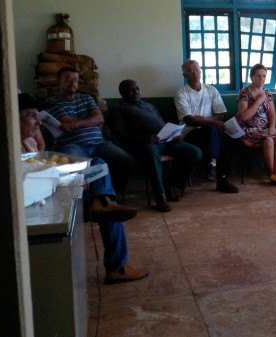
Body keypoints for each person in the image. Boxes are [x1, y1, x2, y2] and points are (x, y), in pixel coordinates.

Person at [19, 93, 148, 284]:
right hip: (48, 198)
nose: (38, 122)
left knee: (98, 164)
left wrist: (32, 129)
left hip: (56, 188)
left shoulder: (29, 142)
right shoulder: (10, 149)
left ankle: (101, 200)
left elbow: (41, 154)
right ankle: (117, 266)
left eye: (38, 117)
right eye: (32, 116)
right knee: (110, 209)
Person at [109, 79, 203, 212]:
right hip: (142, 143)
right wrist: (145, 138)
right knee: (151, 154)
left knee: (195, 152)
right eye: (131, 89)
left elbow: (162, 125)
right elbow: (118, 134)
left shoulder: (149, 106)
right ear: (122, 92)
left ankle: (172, 184)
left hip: (165, 140)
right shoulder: (119, 108)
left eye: (137, 88)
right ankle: (160, 195)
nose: (135, 91)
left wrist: (174, 134)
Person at [45, 67, 135, 200]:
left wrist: (76, 123)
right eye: (67, 79)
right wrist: (90, 120)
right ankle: (93, 200)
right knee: (76, 169)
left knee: (126, 160)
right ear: (59, 81)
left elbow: (99, 118)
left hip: (99, 143)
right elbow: (67, 124)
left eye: (75, 79)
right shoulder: (52, 102)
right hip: (72, 145)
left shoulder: (87, 98)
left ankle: (114, 193)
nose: (72, 82)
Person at [174, 59, 239, 193]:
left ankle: (214, 167)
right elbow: (190, 120)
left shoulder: (211, 90)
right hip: (190, 133)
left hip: (210, 131)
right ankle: (220, 175)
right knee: (212, 129)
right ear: (184, 75)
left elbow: (220, 115)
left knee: (221, 134)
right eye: (190, 71)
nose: (194, 73)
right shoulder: (181, 94)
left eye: (197, 69)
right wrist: (212, 121)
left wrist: (202, 119)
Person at [237, 64, 276, 186]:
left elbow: (272, 115)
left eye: (264, 76)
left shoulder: (267, 93)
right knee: (269, 140)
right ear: (251, 77)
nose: (262, 79)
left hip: (264, 129)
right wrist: (259, 100)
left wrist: (271, 127)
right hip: (249, 130)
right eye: (258, 76)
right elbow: (244, 116)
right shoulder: (244, 93)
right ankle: (272, 174)